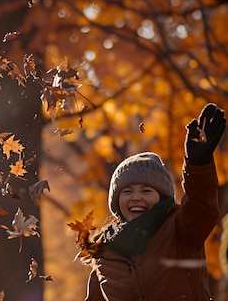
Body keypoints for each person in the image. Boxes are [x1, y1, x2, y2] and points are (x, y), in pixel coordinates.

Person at [80, 103, 226, 300]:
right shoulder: (104, 253)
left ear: (162, 197)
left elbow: (202, 204)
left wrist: (198, 165)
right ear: (116, 201)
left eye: (146, 190)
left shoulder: (180, 229)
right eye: (127, 191)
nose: (136, 197)